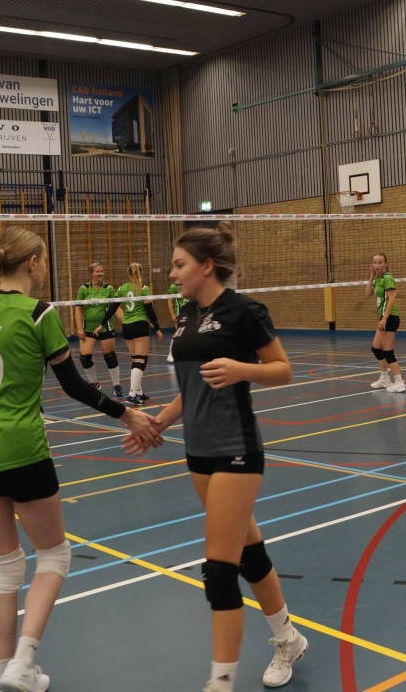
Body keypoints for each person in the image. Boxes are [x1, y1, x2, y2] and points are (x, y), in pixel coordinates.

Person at [0, 227, 161, 692]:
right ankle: (23, 660)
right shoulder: (40, 314)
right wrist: (127, 414)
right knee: (54, 556)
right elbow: (74, 386)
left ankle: (7, 673)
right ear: (33, 263)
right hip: (22, 452)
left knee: (4, 568)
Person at [128, 223, 307, 692]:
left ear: (207, 266)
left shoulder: (244, 311)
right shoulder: (187, 315)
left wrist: (240, 368)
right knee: (249, 553)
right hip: (198, 451)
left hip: (236, 449)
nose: (172, 274)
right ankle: (288, 638)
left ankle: (221, 682)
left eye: (179, 265)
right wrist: (157, 423)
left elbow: (283, 369)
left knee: (219, 571)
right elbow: (191, 389)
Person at [103, 262, 163, 404]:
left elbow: (112, 308)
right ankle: (131, 395)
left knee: (136, 360)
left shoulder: (122, 288)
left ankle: (139, 392)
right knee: (141, 360)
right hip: (140, 325)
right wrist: (158, 328)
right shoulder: (144, 288)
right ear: (141, 273)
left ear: (129, 274)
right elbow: (150, 311)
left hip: (127, 326)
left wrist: (101, 324)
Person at [75, 262, 123, 398]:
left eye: (102, 271)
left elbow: (116, 307)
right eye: (98, 271)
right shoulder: (84, 289)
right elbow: (78, 309)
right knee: (85, 358)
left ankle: (117, 386)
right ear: (91, 274)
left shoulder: (108, 289)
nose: (101, 273)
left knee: (110, 356)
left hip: (106, 326)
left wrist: (126, 322)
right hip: (88, 327)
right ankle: (94, 383)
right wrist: (79, 328)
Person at [365, 252, 405, 393]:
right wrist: (371, 276)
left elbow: (392, 299)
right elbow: (367, 294)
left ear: (385, 264)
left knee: (388, 351)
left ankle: (399, 382)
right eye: (375, 262)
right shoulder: (378, 279)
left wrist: (384, 318)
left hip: (390, 317)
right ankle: (384, 379)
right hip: (384, 317)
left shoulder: (387, 278)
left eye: (380, 262)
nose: (377, 265)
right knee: (376, 348)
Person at [166, 280, 185, 363]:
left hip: (190, 313)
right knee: (178, 334)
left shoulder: (190, 284)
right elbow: (170, 301)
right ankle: (171, 355)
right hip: (179, 313)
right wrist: (173, 315)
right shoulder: (174, 287)